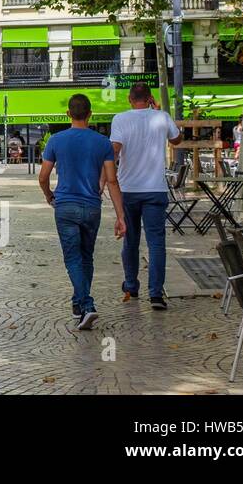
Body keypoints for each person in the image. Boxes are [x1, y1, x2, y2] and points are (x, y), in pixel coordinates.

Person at [39, 94, 126, 330]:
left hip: (65, 206)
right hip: (91, 207)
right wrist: (120, 216)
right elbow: (112, 180)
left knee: (73, 258)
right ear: (90, 114)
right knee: (86, 257)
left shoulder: (56, 140)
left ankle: (87, 305)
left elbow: (43, 177)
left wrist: (49, 196)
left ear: (68, 114)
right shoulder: (102, 143)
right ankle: (78, 304)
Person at [109, 82, 183, 311]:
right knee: (156, 243)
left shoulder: (120, 119)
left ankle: (131, 285)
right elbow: (177, 140)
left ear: (130, 99)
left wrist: (107, 178)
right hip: (155, 189)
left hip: (129, 189)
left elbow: (114, 150)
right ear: (149, 98)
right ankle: (156, 294)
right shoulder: (161, 117)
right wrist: (158, 110)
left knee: (130, 240)